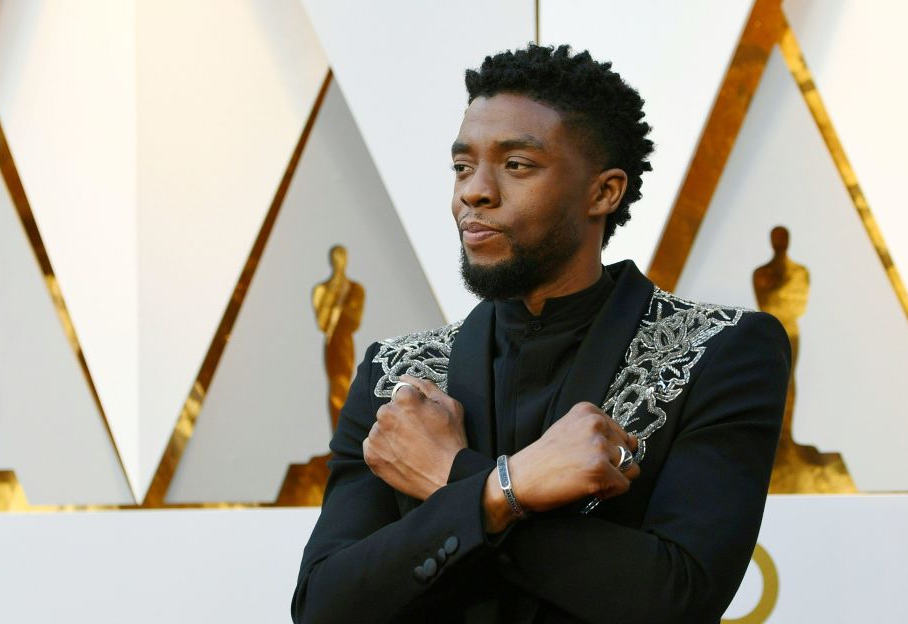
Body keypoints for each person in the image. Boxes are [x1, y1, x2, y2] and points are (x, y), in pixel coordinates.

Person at [292, 44, 791, 623]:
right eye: (461, 166)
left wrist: (457, 481)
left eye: (516, 165)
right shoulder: (398, 377)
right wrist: (505, 489)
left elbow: (677, 597)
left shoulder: (717, 351)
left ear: (603, 192)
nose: (474, 192)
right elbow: (324, 607)